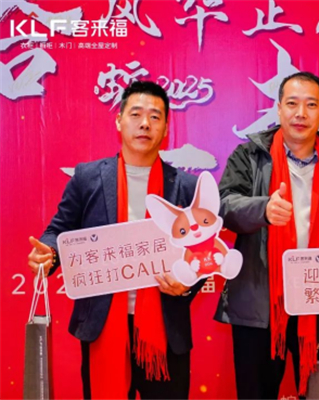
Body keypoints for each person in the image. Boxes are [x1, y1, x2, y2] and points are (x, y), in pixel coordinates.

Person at [26, 81, 202, 399]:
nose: (145, 123)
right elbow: (59, 230)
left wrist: (187, 282)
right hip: (102, 323)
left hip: (166, 330)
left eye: (155, 116)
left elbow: (203, 251)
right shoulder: (88, 177)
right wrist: (48, 252)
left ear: (166, 128)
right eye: (136, 114)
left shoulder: (186, 187)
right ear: (119, 121)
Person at [215, 71, 319, 399]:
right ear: (278, 108)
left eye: (311, 105)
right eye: (292, 103)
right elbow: (223, 205)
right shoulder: (249, 157)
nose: (301, 113)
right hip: (259, 305)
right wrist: (262, 209)